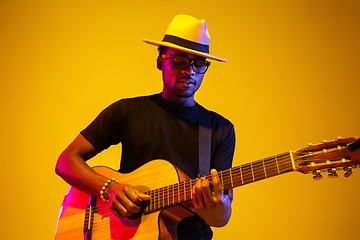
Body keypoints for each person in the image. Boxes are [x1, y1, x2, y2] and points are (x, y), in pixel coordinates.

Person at [55, 14, 235, 239]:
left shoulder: (219, 129)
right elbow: (65, 161)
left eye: (199, 64)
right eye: (179, 60)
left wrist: (219, 208)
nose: (189, 71)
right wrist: (109, 188)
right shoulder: (126, 111)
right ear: (160, 62)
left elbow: (219, 219)